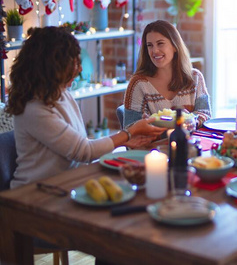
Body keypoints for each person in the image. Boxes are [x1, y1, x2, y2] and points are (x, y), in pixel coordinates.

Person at [5, 27, 166, 189]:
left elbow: (81, 145)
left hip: (66, 183)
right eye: (74, 63)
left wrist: (129, 139)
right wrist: (129, 133)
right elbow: (83, 152)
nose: (80, 69)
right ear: (53, 65)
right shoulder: (34, 109)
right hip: (34, 192)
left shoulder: (60, 94)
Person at [123, 20, 211, 129]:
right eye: (149, 45)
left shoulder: (195, 78)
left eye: (160, 43)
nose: (154, 50)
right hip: (155, 145)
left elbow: (205, 113)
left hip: (190, 143)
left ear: (174, 46)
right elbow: (130, 128)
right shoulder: (138, 84)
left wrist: (191, 120)